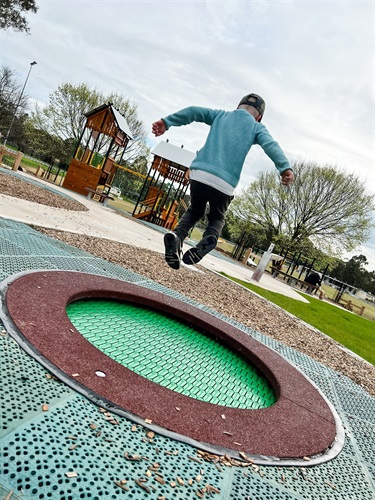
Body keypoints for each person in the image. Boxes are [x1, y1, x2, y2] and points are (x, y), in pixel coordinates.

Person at [152, 93, 294, 270]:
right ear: (259, 116)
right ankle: (210, 237)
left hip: (200, 173)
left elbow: (194, 111)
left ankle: (177, 236)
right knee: (217, 217)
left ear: (237, 107)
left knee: (195, 210)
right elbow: (271, 145)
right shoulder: (257, 127)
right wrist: (285, 168)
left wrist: (167, 122)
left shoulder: (220, 115)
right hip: (225, 183)